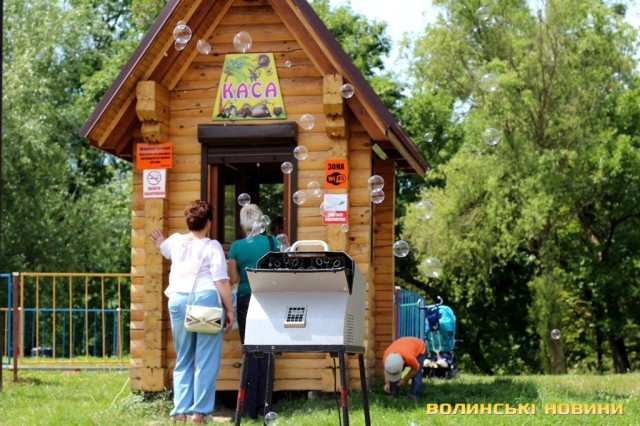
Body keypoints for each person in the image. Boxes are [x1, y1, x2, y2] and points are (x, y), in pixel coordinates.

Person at [151, 200, 234, 423]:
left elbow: (164, 248)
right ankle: (199, 413)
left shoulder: (175, 241)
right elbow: (221, 280)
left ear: (188, 221)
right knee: (206, 358)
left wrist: (160, 241)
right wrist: (229, 309)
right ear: (208, 223)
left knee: (183, 356)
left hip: (178, 300)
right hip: (205, 299)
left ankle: (180, 411)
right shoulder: (212, 246)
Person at [227, 204, 277, 419]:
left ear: (241, 224)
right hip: (268, 299)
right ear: (260, 220)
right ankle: (265, 406)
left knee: (250, 352)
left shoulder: (236, 247)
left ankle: (248, 408)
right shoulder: (272, 242)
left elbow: (232, 279)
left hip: (246, 300)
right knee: (267, 351)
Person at [382, 336, 426, 401]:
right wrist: (387, 383)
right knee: (393, 371)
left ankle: (414, 395)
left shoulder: (409, 358)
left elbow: (416, 368)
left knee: (417, 374)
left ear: (403, 363)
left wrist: (405, 379)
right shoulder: (386, 357)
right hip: (403, 346)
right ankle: (393, 391)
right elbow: (387, 370)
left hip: (418, 346)